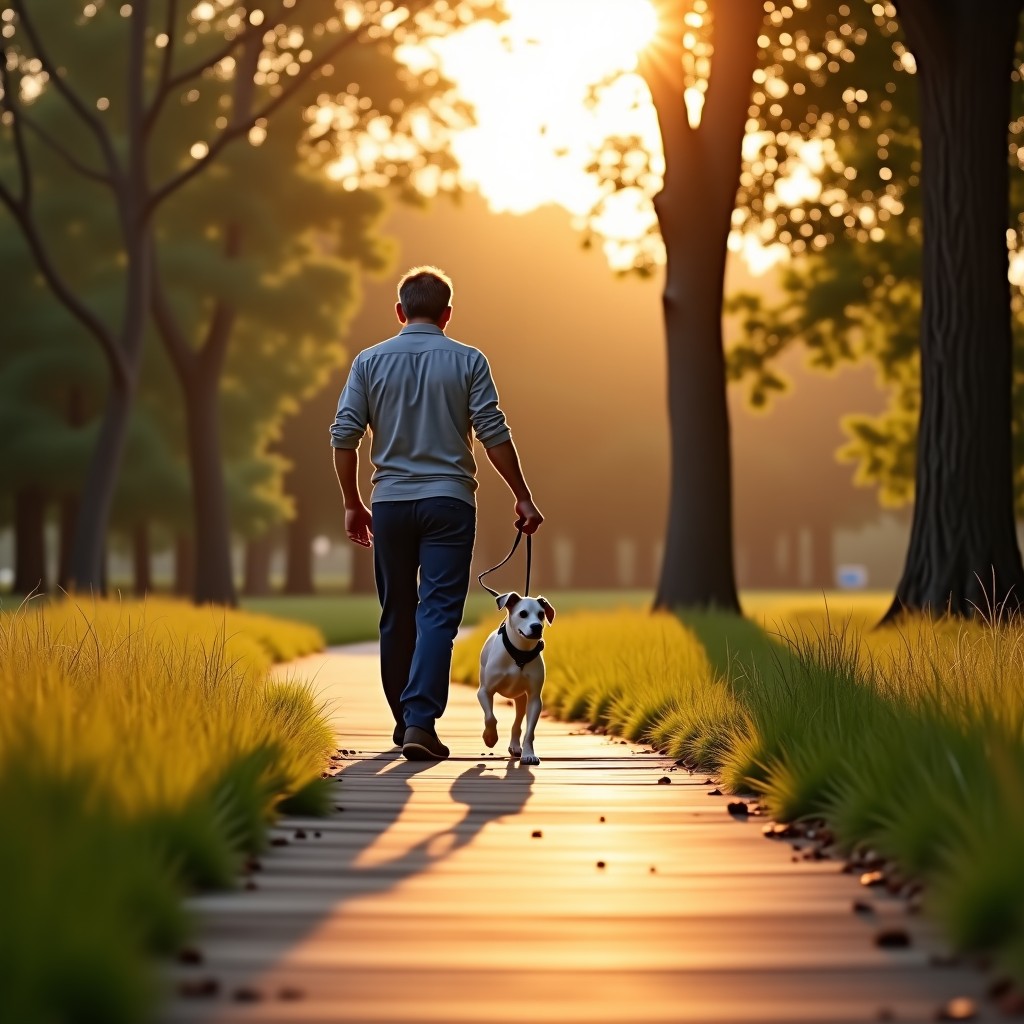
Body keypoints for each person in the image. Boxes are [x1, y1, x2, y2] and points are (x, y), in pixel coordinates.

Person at [330, 266, 543, 761]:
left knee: (396, 611)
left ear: (400, 311)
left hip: (389, 504)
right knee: (438, 612)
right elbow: (493, 431)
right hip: (449, 502)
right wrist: (522, 495)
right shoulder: (469, 360)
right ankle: (420, 720)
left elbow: (344, 435)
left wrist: (351, 502)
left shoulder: (368, 362)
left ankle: (406, 721)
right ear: (448, 314)